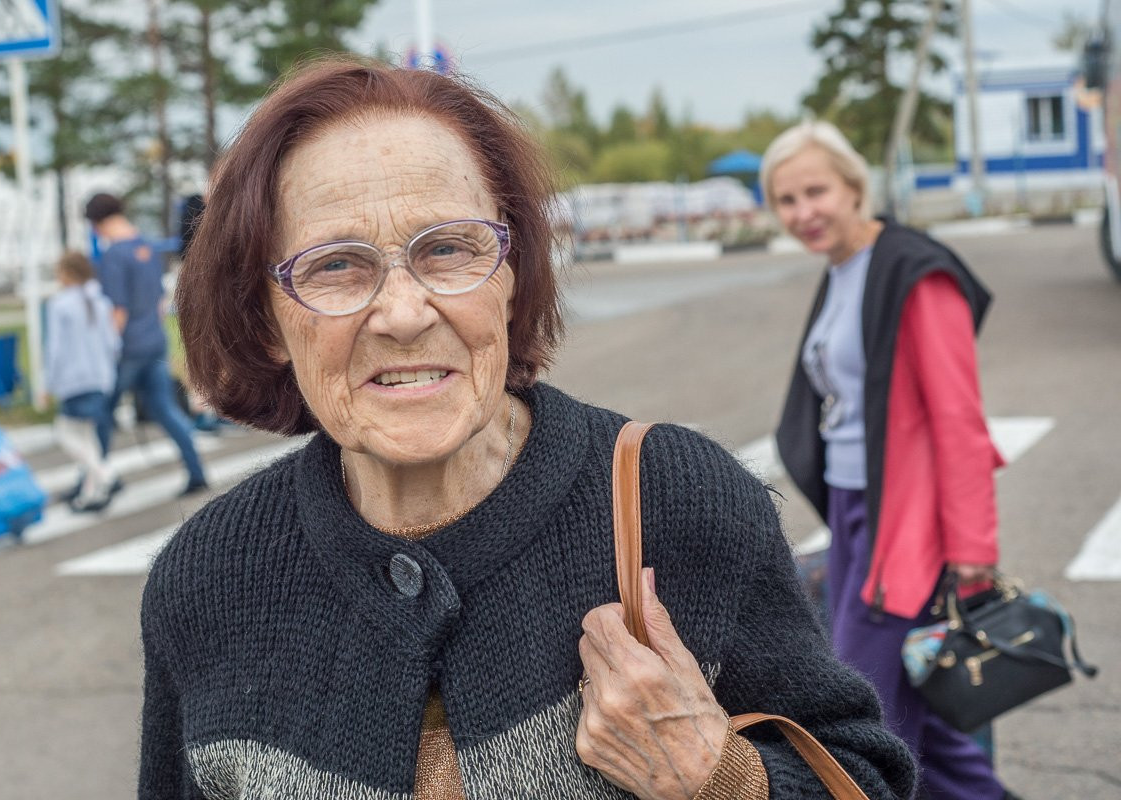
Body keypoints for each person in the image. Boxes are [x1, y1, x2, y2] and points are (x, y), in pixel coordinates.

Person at [138, 59, 915, 800]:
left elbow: (867, 778)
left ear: (511, 277)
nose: (405, 314)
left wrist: (720, 778)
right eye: (336, 265)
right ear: (266, 318)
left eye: (448, 249)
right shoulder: (204, 582)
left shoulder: (684, 503)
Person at [764, 121, 1018, 800]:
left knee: (868, 714)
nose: (803, 212)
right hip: (853, 512)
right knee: (929, 725)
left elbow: (958, 420)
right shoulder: (841, 271)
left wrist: (972, 552)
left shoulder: (913, 270)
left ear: (854, 187)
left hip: (907, 523)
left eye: (816, 191)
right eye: (787, 201)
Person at [83, 192, 208, 496]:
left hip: (127, 348)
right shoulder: (146, 247)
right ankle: (196, 470)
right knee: (164, 408)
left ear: (97, 222)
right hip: (154, 340)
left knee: (102, 413)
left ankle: (97, 478)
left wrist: (105, 351)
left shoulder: (114, 255)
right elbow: (159, 301)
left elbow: (118, 311)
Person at [42, 251, 120, 513]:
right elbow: (113, 344)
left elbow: (55, 349)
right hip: (100, 378)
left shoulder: (60, 304)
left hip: (73, 380)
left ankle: (104, 473)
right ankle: (91, 494)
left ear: (66, 273)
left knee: (66, 434)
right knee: (88, 437)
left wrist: (48, 385)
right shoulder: (101, 302)